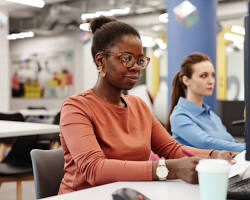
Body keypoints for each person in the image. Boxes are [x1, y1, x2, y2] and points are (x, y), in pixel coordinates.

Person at [58, 17, 236, 194]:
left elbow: (171, 149)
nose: (136, 67)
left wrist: (213, 155)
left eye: (140, 60)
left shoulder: (138, 105)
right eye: (126, 58)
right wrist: (169, 169)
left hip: (131, 194)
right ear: (100, 61)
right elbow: (95, 170)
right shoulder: (76, 107)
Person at [166, 52, 245, 152]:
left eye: (212, 75)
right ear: (186, 80)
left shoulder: (212, 116)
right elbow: (206, 143)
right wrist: (246, 149)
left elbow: (232, 142)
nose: (211, 81)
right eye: (203, 76)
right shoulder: (179, 116)